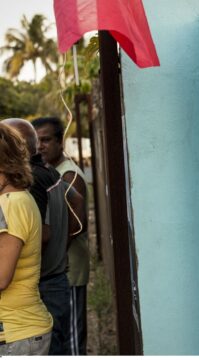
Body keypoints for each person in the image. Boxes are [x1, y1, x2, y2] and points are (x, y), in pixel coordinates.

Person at [2, 118, 85, 355]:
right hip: (51, 279)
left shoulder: (27, 186)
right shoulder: (48, 172)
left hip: (43, 285)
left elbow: (40, 235)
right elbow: (76, 200)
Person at [32, 116, 89, 355]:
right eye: (37, 141)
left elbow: (78, 224)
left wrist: (57, 252)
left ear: (60, 142)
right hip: (60, 268)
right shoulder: (50, 173)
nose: (40, 146)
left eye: (46, 140)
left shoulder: (68, 175)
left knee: (72, 341)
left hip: (69, 269)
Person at [0, 123, 53, 355]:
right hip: (21, 331)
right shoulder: (18, 198)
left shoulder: (10, 204)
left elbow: (1, 278)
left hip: (16, 334)